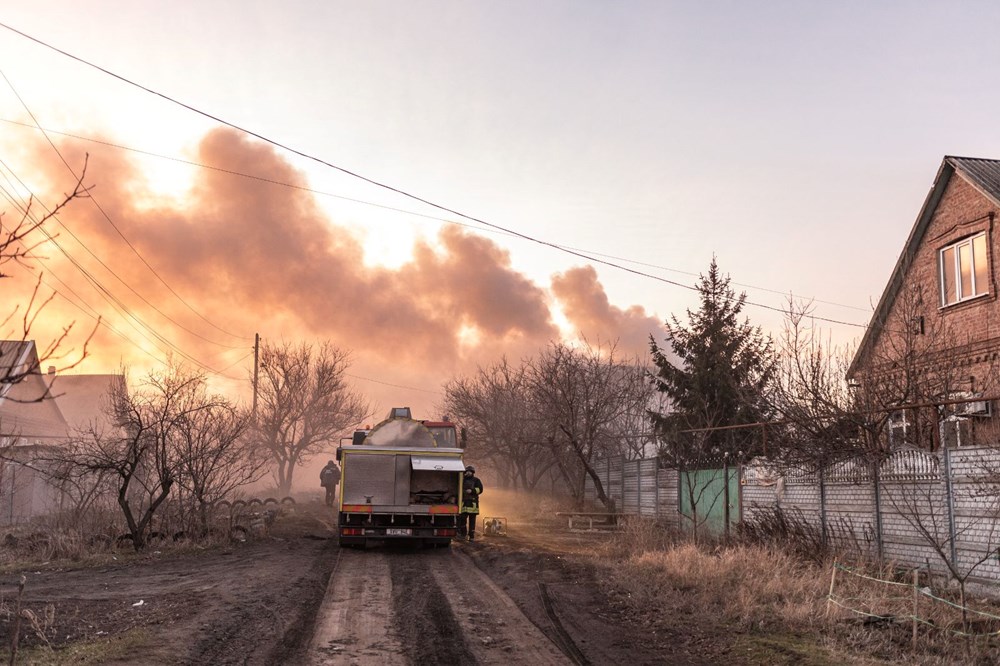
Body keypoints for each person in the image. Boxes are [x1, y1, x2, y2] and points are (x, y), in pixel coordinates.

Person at [458, 465, 484, 541]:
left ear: (473, 473)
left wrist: (472, 491)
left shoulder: (476, 480)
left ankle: (471, 536)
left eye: (470, 472)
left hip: (473, 504)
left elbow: (480, 489)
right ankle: (463, 534)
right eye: (467, 472)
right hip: (464, 504)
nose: (468, 473)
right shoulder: (462, 480)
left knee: (472, 521)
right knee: (462, 520)